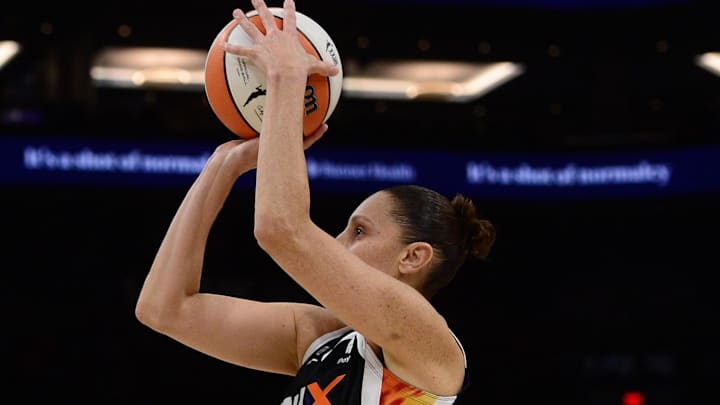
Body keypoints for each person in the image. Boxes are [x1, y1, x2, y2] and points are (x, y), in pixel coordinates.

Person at [135, 0, 497, 403]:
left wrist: (287, 78)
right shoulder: (321, 337)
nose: (337, 240)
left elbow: (282, 228)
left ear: (413, 257)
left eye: (359, 230)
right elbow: (163, 308)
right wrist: (223, 166)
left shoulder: (428, 340)